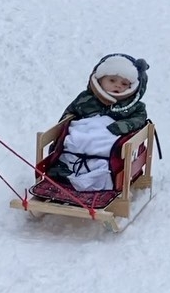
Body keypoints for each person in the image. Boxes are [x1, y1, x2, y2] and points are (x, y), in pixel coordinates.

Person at [49, 54, 149, 191]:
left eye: (124, 84)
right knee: (74, 138)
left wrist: (120, 127)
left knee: (104, 145)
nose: (117, 86)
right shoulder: (86, 98)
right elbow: (70, 114)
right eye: (112, 80)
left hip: (110, 135)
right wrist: (63, 131)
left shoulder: (134, 106)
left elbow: (138, 119)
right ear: (100, 80)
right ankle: (69, 168)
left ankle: (96, 174)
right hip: (84, 130)